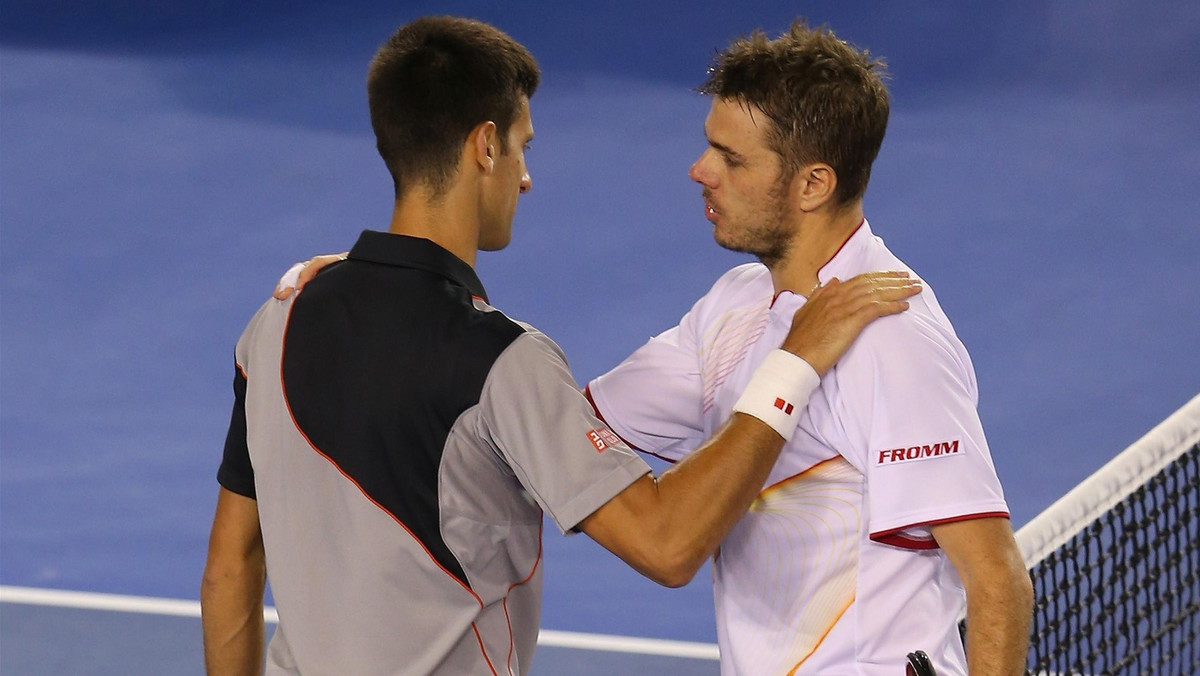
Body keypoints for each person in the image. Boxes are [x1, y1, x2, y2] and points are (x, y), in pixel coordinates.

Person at [201, 16, 921, 676]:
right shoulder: (503, 364)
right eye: (521, 147)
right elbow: (668, 545)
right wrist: (792, 363)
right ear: (485, 146)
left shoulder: (278, 321)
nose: (525, 176)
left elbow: (232, 564)